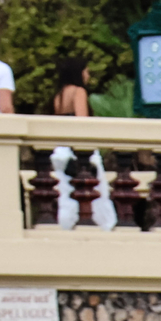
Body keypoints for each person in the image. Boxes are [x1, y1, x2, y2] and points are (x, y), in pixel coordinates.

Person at [45, 59, 116, 230]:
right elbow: (81, 121)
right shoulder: (79, 92)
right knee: (94, 190)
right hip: (76, 150)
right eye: (86, 71)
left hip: (60, 149)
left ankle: (65, 223)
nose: (88, 75)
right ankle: (99, 223)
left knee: (64, 191)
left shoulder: (59, 95)